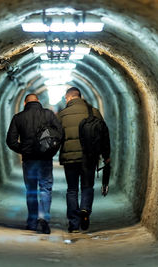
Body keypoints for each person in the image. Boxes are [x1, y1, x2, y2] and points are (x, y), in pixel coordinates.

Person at [6, 93, 63, 234]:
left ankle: (32, 222)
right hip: (45, 158)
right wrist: (51, 149)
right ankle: (43, 217)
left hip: (29, 159)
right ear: (38, 101)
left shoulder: (18, 118)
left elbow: (11, 141)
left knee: (31, 190)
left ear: (25, 103)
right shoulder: (48, 114)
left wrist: (24, 150)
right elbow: (60, 134)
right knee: (45, 188)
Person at [58, 87, 111, 233]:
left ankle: (74, 223)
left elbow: (56, 137)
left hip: (70, 159)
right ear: (80, 97)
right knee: (87, 186)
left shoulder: (62, 115)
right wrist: (106, 156)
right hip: (90, 157)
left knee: (72, 189)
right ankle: (85, 210)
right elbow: (104, 134)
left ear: (68, 98)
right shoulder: (94, 112)